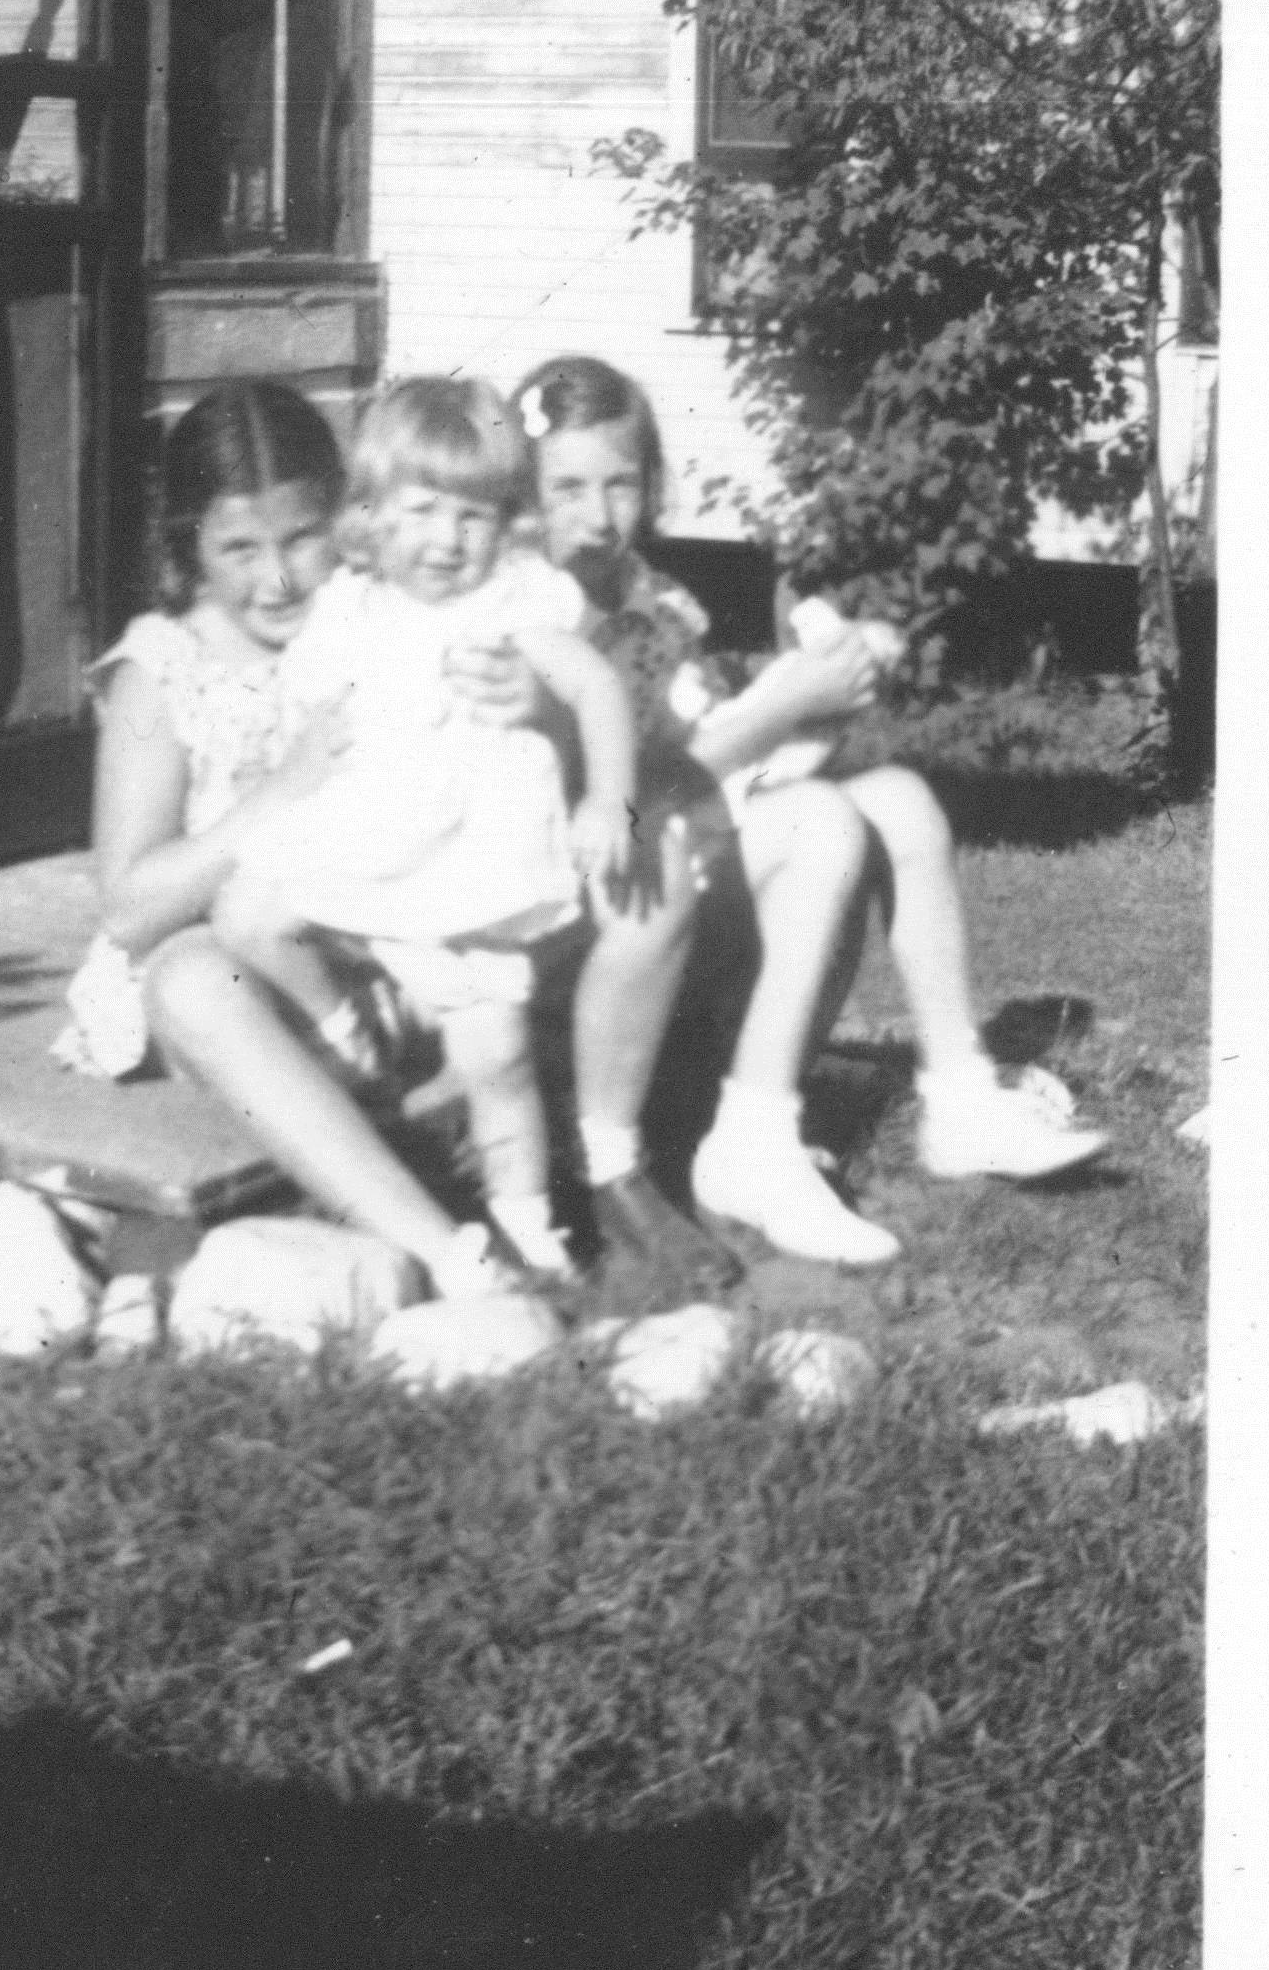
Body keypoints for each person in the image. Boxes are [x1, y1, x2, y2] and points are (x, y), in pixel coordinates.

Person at [515, 354, 1109, 1270]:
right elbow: (626, 796)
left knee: (899, 800)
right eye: (567, 488)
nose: (597, 515)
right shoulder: (531, 613)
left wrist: (822, 697)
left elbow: (707, 749)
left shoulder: (649, 599)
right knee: (819, 822)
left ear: (652, 483)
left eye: (620, 483)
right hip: (597, 917)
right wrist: (782, 708)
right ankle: (751, 1141)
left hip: (674, 863)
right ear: (523, 495)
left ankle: (957, 1093)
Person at [58, 378, 512, 1301]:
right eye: (239, 548)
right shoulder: (163, 670)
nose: (277, 579)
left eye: (302, 538)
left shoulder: (380, 620)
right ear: (189, 543)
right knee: (193, 978)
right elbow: (130, 906)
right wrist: (280, 789)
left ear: (343, 518)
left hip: (373, 964)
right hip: (236, 983)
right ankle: (443, 1248)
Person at [210, 377, 638, 1282]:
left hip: (470, 870)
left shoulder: (513, 605)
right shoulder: (350, 605)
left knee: (496, 1052)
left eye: (473, 516)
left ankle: (526, 1221)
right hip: (367, 849)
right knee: (246, 911)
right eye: (421, 511)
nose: (446, 540)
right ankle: (346, 1039)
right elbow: (305, 701)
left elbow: (598, 688)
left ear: (506, 522)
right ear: (371, 513)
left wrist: (608, 801)